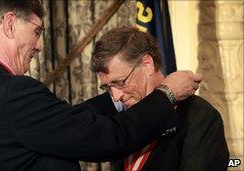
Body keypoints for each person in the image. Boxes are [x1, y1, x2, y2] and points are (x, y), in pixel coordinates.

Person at [0, 1, 202, 171]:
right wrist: (166, 93)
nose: (40, 45)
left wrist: (117, 96)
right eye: (36, 31)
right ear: (10, 24)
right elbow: (109, 139)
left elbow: (60, 124)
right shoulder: (13, 93)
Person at [90, 26, 229, 171]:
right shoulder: (121, 119)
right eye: (107, 87)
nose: (116, 96)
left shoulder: (199, 116)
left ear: (147, 64)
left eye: (120, 82)